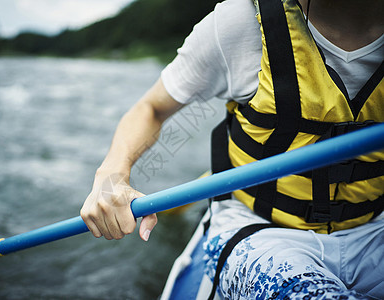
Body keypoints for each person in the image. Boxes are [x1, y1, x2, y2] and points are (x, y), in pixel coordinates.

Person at [81, 0, 383, 298]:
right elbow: (152, 107)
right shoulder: (239, 22)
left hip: (374, 229)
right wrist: (111, 177)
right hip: (260, 228)